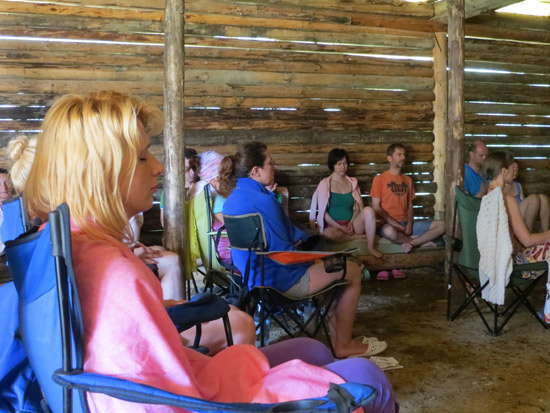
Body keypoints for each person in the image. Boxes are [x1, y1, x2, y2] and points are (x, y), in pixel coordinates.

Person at [22, 91, 396, 412]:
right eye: (143, 156)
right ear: (102, 170)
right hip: (208, 389)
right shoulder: (113, 273)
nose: (158, 167)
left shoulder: (68, 245)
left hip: (244, 289)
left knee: (311, 350)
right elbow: (154, 402)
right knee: (368, 375)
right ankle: (345, 348)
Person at [222, 142, 388, 358]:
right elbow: (285, 252)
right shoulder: (265, 201)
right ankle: (343, 344)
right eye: (270, 163)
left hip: (253, 281)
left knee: (334, 268)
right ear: (256, 171)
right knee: (353, 271)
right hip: (281, 282)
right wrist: (315, 259)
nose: (274, 166)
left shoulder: (231, 201)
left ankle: (337, 336)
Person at [481, 151, 550, 323]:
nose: (514, 171)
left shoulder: (486, 197)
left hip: (490, 263)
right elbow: (527, 240)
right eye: (511, 168)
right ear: (503, 171)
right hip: (513, 264)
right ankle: (549, 311)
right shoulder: (507, 200)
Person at [371, 143, 445, 256]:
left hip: (406, 223)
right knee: (390, 232)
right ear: (389, 158)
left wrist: (410, 224)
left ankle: (413, 243)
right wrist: (395, 224)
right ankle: (422, 243)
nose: (403, 158)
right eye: (399, 155)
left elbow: (410, 206)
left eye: (404, 155)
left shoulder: (407, 180)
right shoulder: (379, 179)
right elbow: (376, 208)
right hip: (388, 224)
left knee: (442, 225)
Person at [309, 148, 382, 258]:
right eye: (339, 164)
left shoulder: (352, 183)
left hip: (353, 225)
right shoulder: (325, 184)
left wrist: (351, 222)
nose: (343, 167)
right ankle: (354, 238)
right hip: (334, 226)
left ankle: (371, 247)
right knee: (327, 234)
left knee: (369, 211)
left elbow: (357, 208)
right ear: (332, 165)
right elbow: (324, 213)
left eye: (345, 163)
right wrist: (339, 226)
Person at [503, 161, 550, 232]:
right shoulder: (500, 186)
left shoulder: (518, 185)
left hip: (524, 216)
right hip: (513, 217)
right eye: (513, 168)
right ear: (505, 170)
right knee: (533, 199)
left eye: (517, 169)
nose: (516, 171)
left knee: (543, 198)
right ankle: (528, 231)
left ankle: (545, 233)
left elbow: (525, 203)